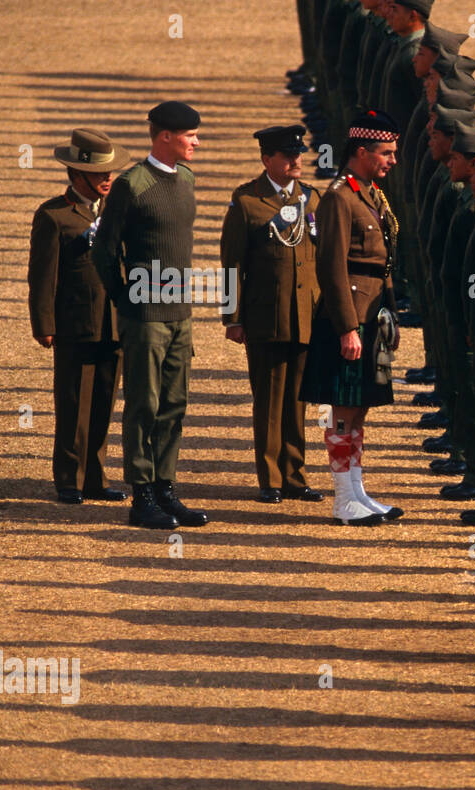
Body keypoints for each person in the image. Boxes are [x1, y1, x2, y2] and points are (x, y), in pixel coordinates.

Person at [92, 101, 209, 531]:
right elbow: (104, 250)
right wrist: (125, 299)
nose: (197, 141)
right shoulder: (132, 185)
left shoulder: (188, 178)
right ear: (164, 136)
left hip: (180, 314)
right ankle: (141, 494)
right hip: (145, 315)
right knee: (144, 403)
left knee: (174, 405)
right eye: (190, 135)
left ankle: (165, 488)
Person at [300, 108, 405, 525]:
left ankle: (357, 491)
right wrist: (347, 327)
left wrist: (389, 312)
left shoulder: (372, 192)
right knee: (343, 407)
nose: (392, 160)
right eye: (386, 153)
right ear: (361, 151)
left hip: (371, 314)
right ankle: (343, 498)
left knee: (358, 407)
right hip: (351, 318)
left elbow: (384, 261)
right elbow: (332, 265)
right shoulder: (341, 197)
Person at [220, 124, 324, 504]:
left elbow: (322, 260)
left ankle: (295, 474)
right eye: (287, 155)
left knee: (298, 399)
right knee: (269, 400)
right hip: (265, 316)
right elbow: (231, 263)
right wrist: (232, 317)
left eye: (298, 154)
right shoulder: (248, 201)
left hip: (305, 317)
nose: (296, 160)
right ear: (268, 160)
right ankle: (272, 479)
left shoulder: (312, 199)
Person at [29, 128, 130, 506]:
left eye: (111, 172)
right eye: (101, 173)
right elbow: (42, 276)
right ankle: (69, 480)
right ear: (77, 174)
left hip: (114, 323)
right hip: (74, 325)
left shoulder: (118, 214)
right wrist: (44, 325)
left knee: (104, 402)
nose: (108, 179)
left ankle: (95, 479)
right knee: (74, 404)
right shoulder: (55, 216)